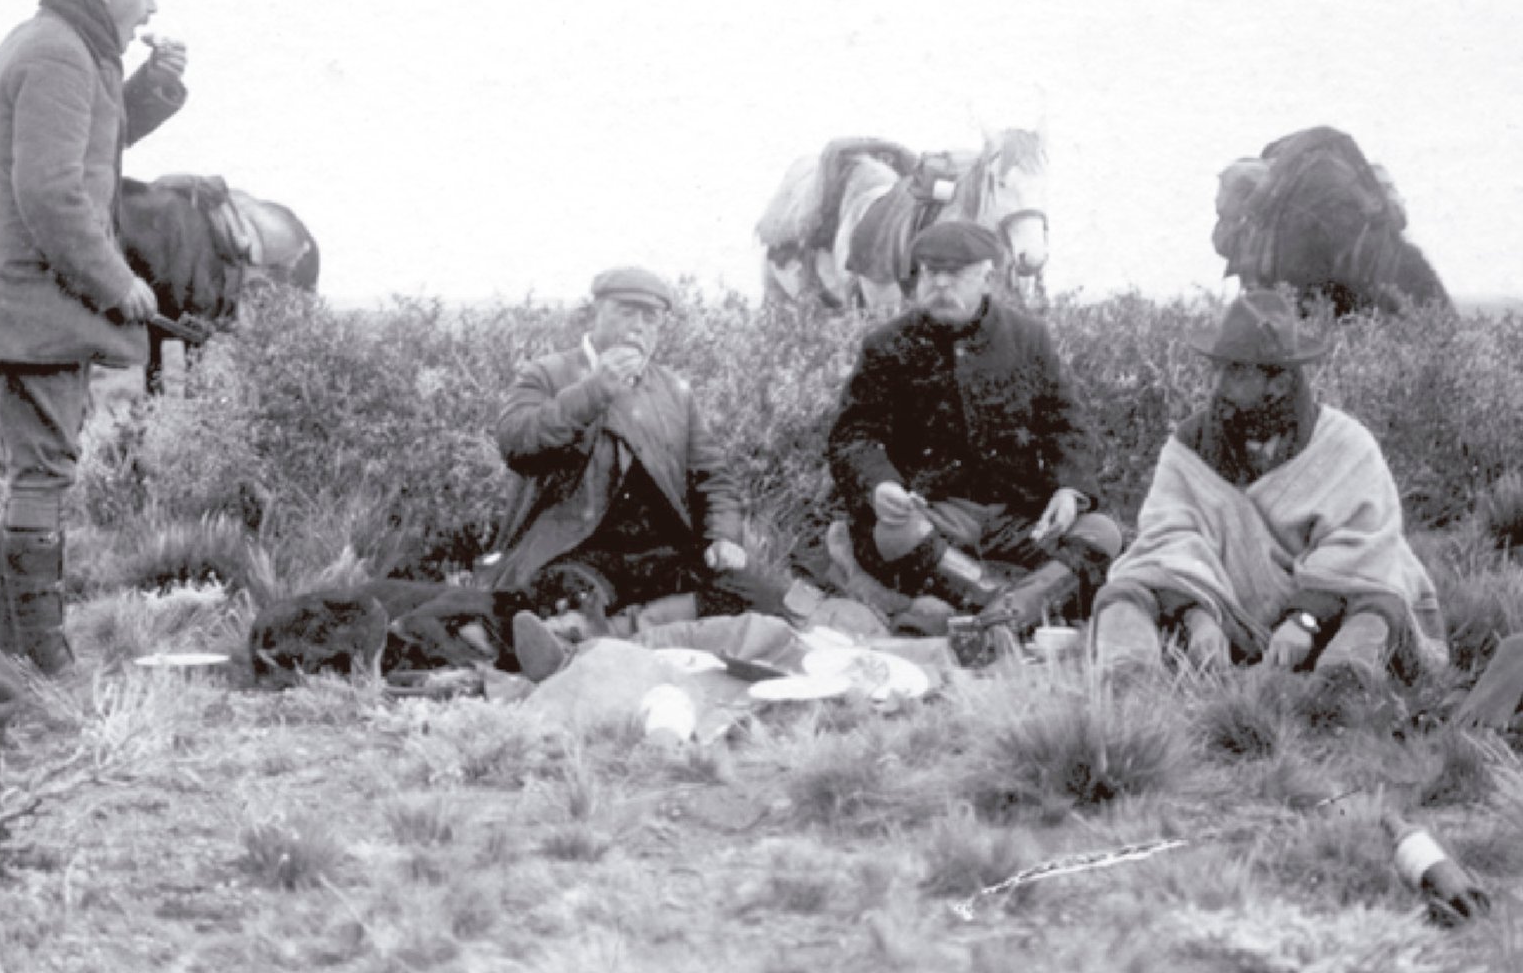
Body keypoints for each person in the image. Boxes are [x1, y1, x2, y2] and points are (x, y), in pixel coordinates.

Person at [0, 0, 188, 674]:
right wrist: (117, 283)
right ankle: (42, 657)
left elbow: (92, 147)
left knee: (38, 471)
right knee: (43, 471)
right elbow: (50, 193)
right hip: (31, 303)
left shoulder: (66, 48)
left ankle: (17, 652)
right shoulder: (58, 54)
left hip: (30, 303)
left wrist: (154, 87)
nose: (151, 8)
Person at [1091, 290, 1448, 679]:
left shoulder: (1346, 445)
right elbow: (1168, 541)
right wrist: (1198, 616)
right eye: (1217, 369)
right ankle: (1129, 682)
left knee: (1378, 603)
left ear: (1278, 383)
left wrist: (1305, 619)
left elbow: (1360, 550)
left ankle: (1342, 681)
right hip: (1225, 611)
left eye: (1237, 372)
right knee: (1125, 593)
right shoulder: (1189, 446)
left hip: (1326, 612)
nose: (1218, 385)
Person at [825, 220, 1122, 642]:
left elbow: (1066, 425)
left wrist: (1068, 491)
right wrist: (881, 486)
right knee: (895, 532)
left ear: (988, 277)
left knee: (1103, 533)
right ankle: (1016, 608)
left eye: (957, 273)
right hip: (934, 517)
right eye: (931, 272)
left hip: (1018, 519)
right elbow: (853, 436)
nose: (941, 284)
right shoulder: (886, 345)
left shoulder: (1028, 338)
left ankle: (990, 611)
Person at [488, 266, 775, 676]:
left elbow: (712, 477)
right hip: (572, 554)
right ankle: (605, 637)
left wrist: (723, 536)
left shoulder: (674, 391)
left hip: (657, 556)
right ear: (596, 313)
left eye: (651, 318)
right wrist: (595, 390)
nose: (638, 327)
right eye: (626, 312)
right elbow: (517, 443)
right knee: (562, 596)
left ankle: (608, 637)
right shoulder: (547, 374)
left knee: (756, 592)